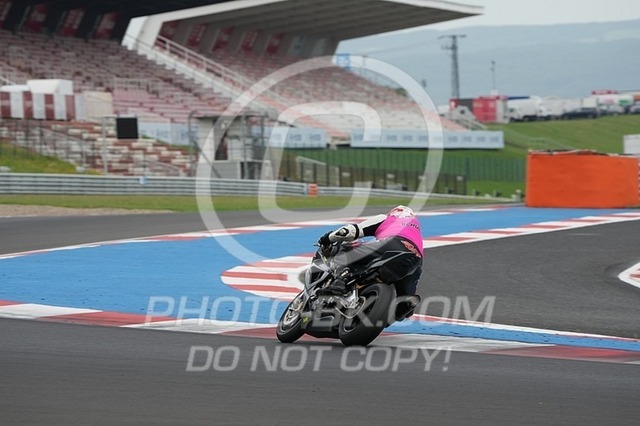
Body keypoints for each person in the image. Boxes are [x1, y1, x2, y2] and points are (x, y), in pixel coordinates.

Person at [317, 205, 423, 320]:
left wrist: (328, 238)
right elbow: (415, 274)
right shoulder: (417, 232)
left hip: (391, 244)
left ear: (394, 213)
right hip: (416, 258)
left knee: (346, 253)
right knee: (404, 301)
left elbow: (349, 232)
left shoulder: (387, 219)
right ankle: (405, 305)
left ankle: (338, 284)